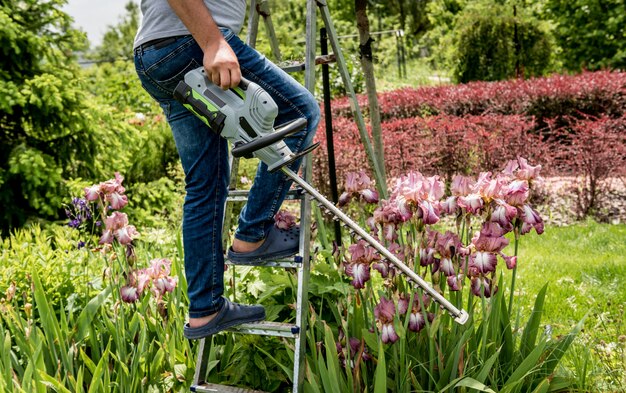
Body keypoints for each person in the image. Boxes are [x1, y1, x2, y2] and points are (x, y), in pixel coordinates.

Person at [133, 0, 320, 339]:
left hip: (156, 53)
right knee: (299, 115)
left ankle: (205, 308)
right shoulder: (203, 41)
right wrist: (213, 42)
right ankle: (252, 234)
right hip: (190, 42)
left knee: (205, 183)